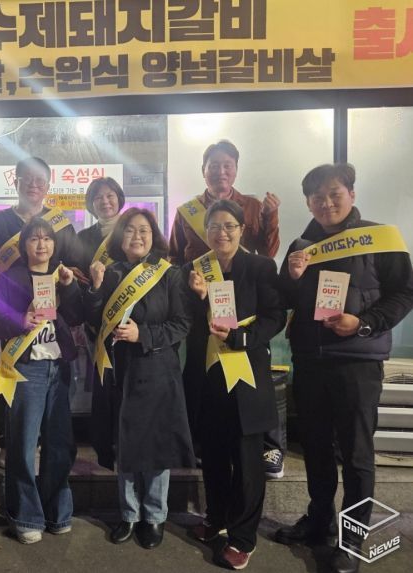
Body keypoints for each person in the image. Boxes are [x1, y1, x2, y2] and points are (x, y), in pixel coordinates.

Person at [274, 164, 413, 573]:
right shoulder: (302, 245)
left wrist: (364, 323)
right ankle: (319, 520)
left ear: (351, 193)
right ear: (308, 202)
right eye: (317, 196)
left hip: (357, 360)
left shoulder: (380, 237)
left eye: (334, 193)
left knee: (356, 453)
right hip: (310, 359)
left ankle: (352, 539)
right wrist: (292, 277)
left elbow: (404, 293)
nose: (326, 202)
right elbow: (284, 299)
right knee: (315, 447)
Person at [168, 139, 284, 479]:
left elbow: (267, 252)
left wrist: (271, 217)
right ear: (203, 171)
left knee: (252, 380)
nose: (221, 171)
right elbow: (174, 255)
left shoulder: (253, 206)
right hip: (200, 301)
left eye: (227, 165)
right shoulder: (187, 211)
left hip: (246, 304)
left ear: (235, 170)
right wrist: (186, 288)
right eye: (214, 166)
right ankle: (202, 444)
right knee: (203, 379)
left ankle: (267, 446)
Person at [185, 200, 286, 570]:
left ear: (242, 229)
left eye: (229, 225)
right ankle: (216, 518)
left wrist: (244, 338)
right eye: (214, 226)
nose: (221, 233)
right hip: (209, 375)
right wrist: (197, 298)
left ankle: (243, 538)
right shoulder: (196, 269)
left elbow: (276, 317)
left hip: (245, 373)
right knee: (213, 454)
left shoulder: (260, 266)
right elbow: (187, 321)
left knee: (246, 461)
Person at [85, 208, 194, 550]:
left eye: (143, 230)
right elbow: (92, 321)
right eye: (130, 230)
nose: (137, 236)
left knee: (156, 447)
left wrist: (142, 334)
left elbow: (182, 324)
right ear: (120, 237)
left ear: (153, 236)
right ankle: (129, 514)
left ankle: (155, 516)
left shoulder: (169, 274)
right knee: (126, 444)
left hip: (158, 370)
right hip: (120, 371)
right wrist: (96, 288)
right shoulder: (111, 273)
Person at [0, 217, 83, 544]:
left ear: (54, 244)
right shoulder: (9, 278)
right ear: (24, 245)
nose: (42, 244)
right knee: (23, 445)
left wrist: (69, 287)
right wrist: (19, 320)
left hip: (59, 368)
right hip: (26, 370)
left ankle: (57, 512)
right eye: (34, 239)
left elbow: (78, 316)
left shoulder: (61, 275)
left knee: (60, 444)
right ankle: (25, 516)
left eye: (47, 238)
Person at [76, 177, 126, 470]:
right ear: (91, 204)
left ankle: (127, 443)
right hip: (97, 320)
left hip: (130, 321)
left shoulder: (132, 229)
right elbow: (79, 278)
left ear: (119, 198)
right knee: (103, 384)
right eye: (98, 198)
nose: (105, 202)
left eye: (110, 196)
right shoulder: (83, 238)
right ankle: (104, 450)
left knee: (127, 384)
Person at [0, 156, 83, 272]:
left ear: (47, 187)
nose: (33, 185)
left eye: (40, 180)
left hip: (51, 288)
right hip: (9, 288)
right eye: (27, 179)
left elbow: (76, 261)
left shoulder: (59, 222)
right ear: (16, 184)